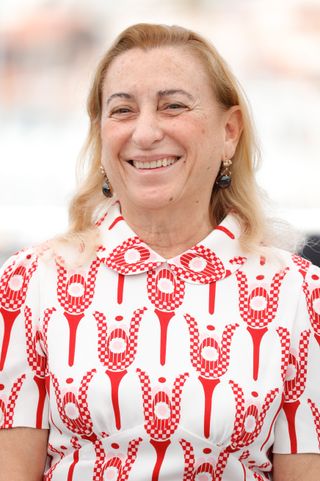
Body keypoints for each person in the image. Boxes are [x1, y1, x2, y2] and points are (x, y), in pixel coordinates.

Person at [0, 23, 319, 481]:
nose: (145, 132)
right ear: (101, 135)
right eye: (123, 110)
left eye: (173, 106)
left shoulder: (300, 294)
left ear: (229, 131)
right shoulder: (31, 282)